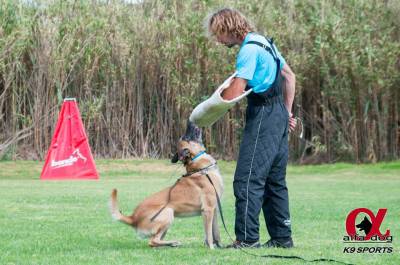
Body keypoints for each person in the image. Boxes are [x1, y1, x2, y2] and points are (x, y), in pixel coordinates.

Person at [205, 8, 297, 248]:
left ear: (227, 28)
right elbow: (289, 76)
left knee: (247, 179)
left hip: (264, 114)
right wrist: (286, 113)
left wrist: (208, 111)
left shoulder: (248, 50)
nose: (217, 40)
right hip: (277, 113)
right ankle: (282, 238)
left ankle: (247, 239)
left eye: (218, 34)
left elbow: (236, 91)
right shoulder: (264, 42)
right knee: (274, 180)